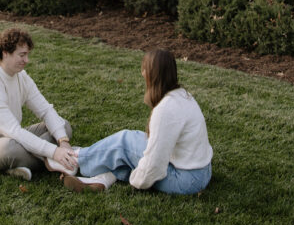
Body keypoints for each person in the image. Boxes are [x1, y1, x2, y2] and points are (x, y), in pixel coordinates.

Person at [47, 49, 212, 194]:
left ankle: (74, 160)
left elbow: (155, 165)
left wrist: (136, 180)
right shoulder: (183, 96)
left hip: (185, 180)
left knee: (125, 142)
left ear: (153, 74)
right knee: (135, 141)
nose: (142, 73)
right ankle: (104, 179)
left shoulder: (166, 109)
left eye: (144, 69)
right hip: (201, 172)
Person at [0, 27, 77, 182]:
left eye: (27, 54)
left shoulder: (21, 77)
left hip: (13, 137)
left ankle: (20, 166)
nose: (26, 60)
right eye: (22, 55)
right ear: (5, 53)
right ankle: (49, 161)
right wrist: (54, 152)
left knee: (63, 126)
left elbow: (45, 110)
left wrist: (63, 142)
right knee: (14, 149)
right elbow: (14, 131)